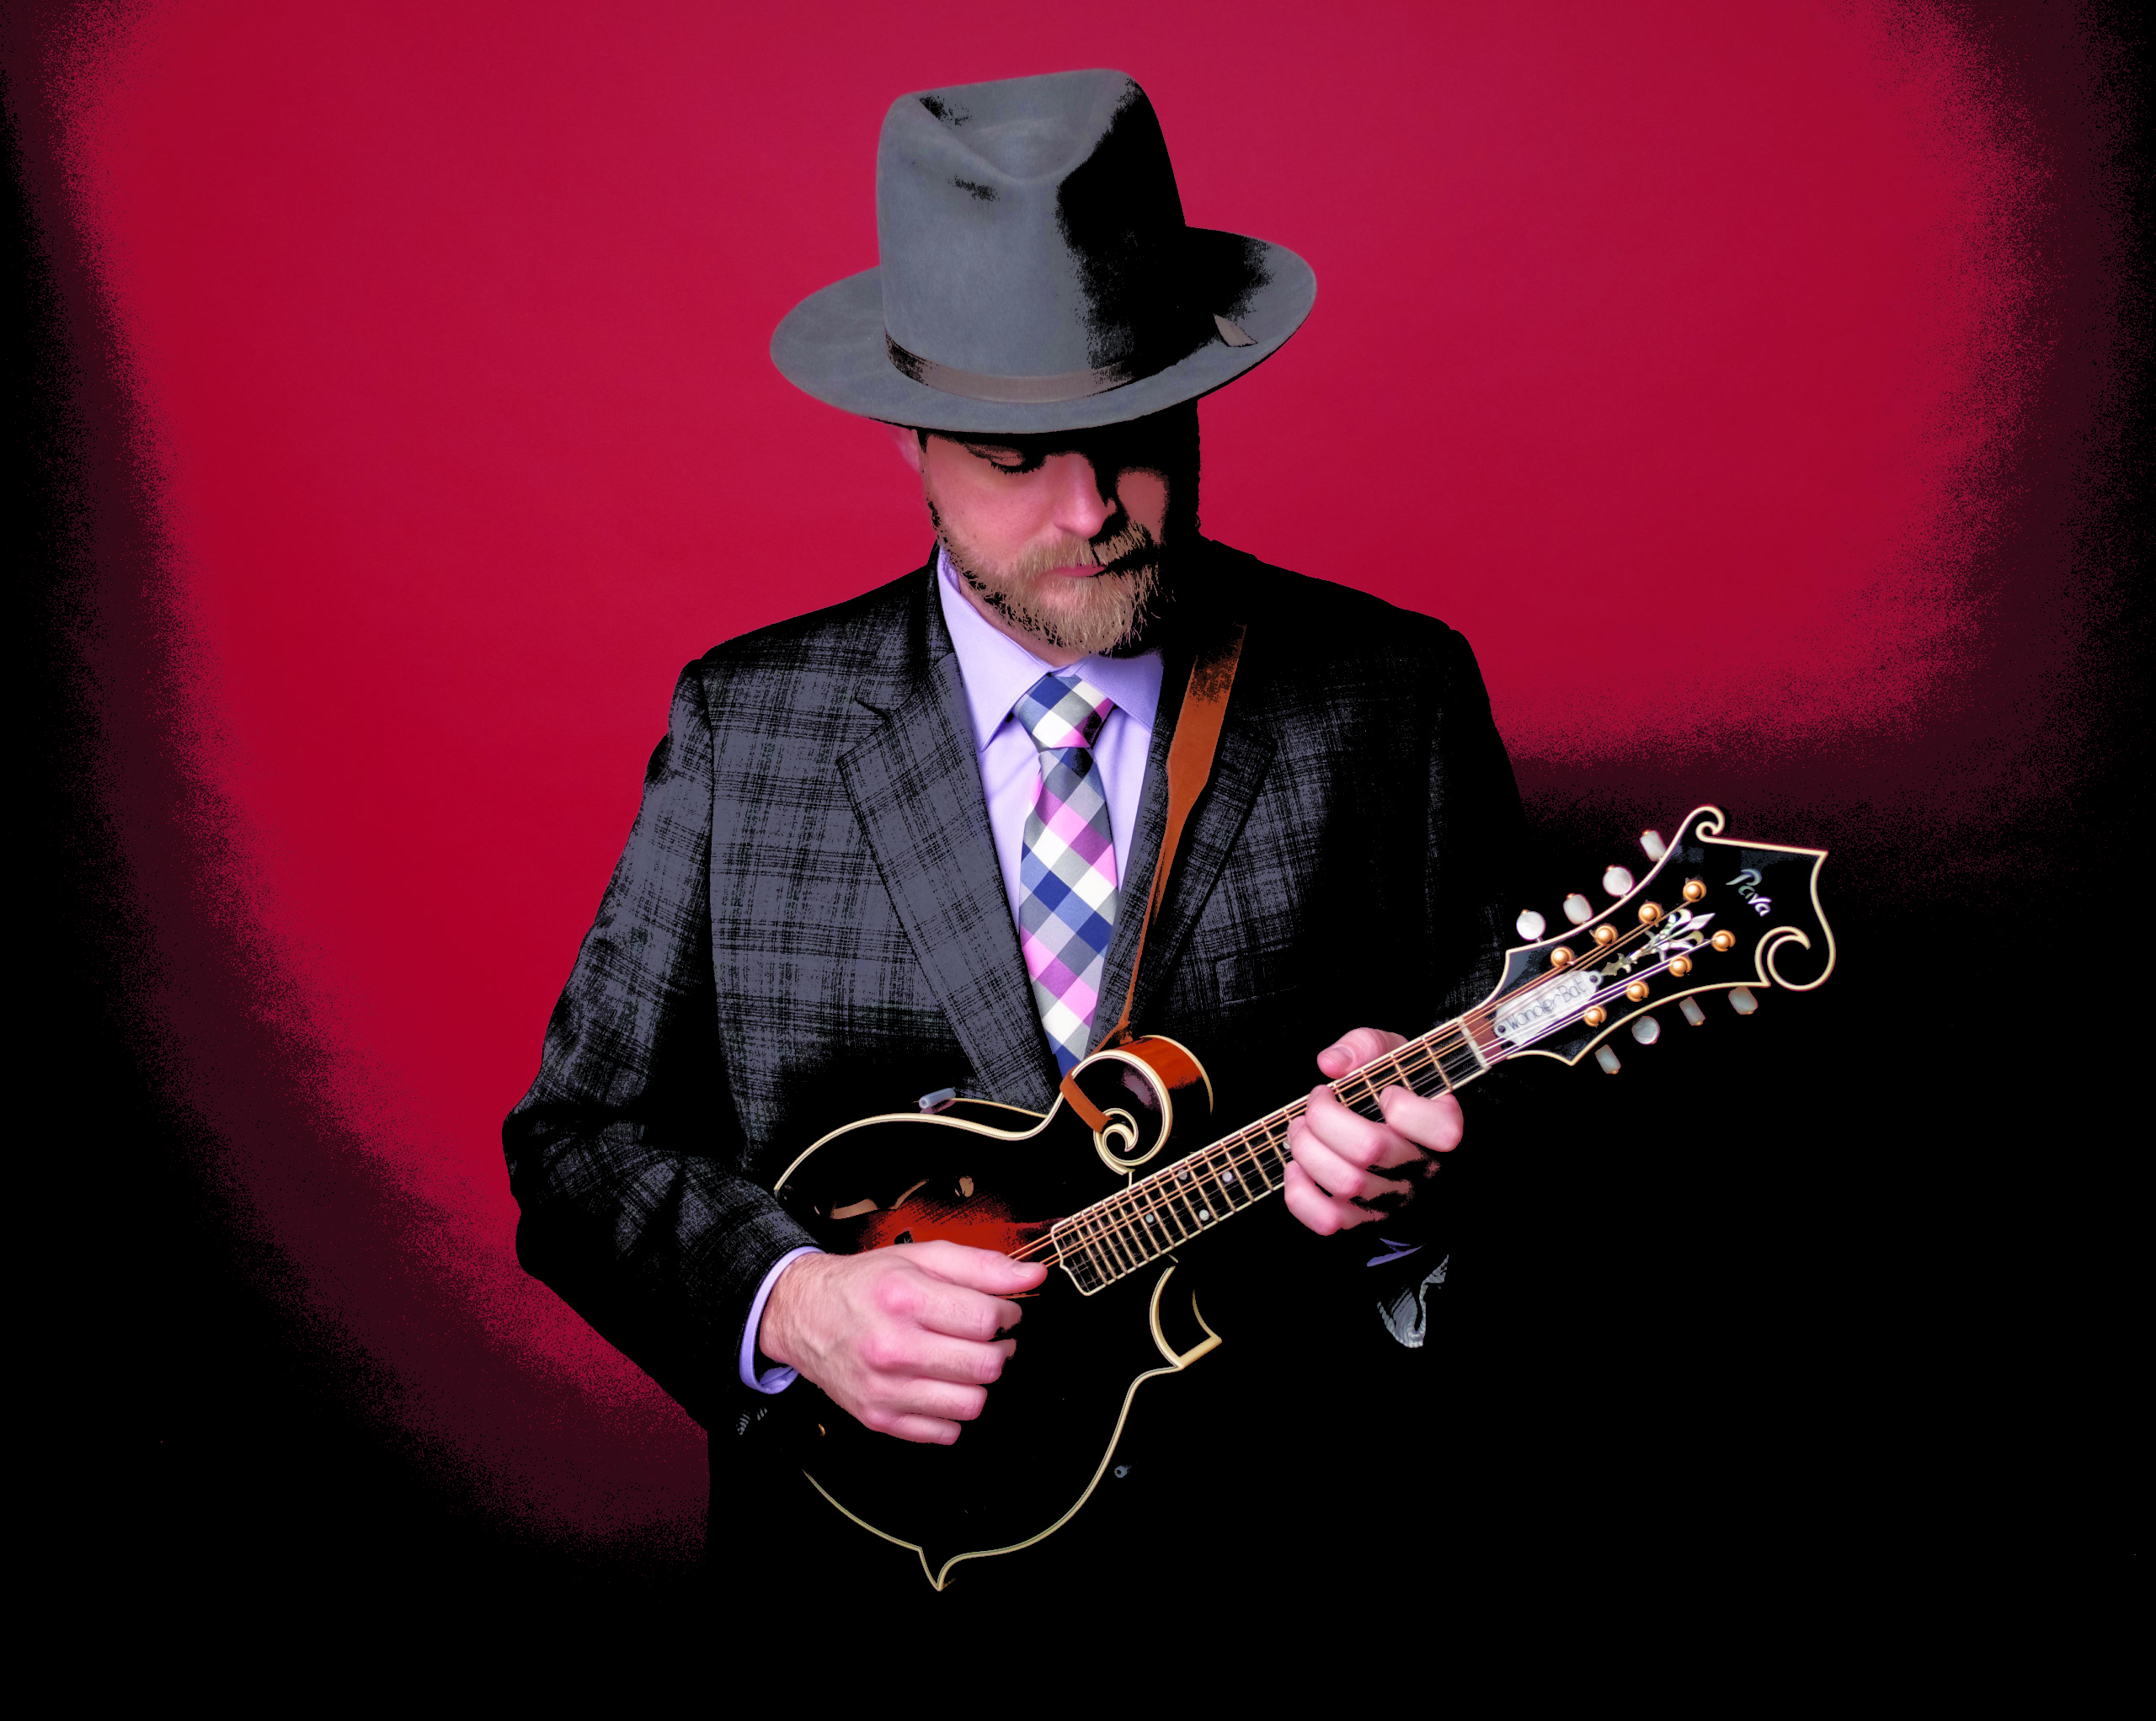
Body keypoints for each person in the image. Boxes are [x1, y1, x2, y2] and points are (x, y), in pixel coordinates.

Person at [503, 67, 1523, 1598]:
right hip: (862, 1575)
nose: (1093, 507)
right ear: (910, 441)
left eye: (1139, 433)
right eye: (1013, 458)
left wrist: (1409, 1208)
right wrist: (789, 1305)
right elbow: (576, 1144)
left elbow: (1520, 1124)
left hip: (1285, 1549)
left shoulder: (1396, 697)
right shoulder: (748, 725)